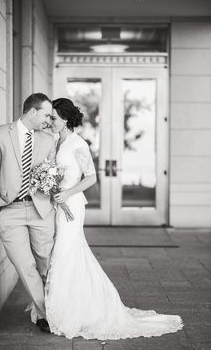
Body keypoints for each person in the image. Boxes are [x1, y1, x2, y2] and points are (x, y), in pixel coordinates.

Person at [43, 98, 183, 340]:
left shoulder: (78, 144)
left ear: (65, 119)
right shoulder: (55, 142)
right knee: (69, 253)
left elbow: (90, 178)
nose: (50, 122)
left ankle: (66, 311)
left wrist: (66, 192)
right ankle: (67, 305)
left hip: (72, 205)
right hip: (57, 205)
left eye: (53, 117)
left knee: (63, 253)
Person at [0, 93, 66, 333]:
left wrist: (50, 185)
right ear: (32, 111)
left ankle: (47, 303)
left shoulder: (48, 139)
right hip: (9, 211)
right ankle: (46, 314)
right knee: (25, 265)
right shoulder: (0, 134)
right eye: (45, 114)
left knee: (44, 263)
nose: (48, 119)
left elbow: (51, 170)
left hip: (40, 210)